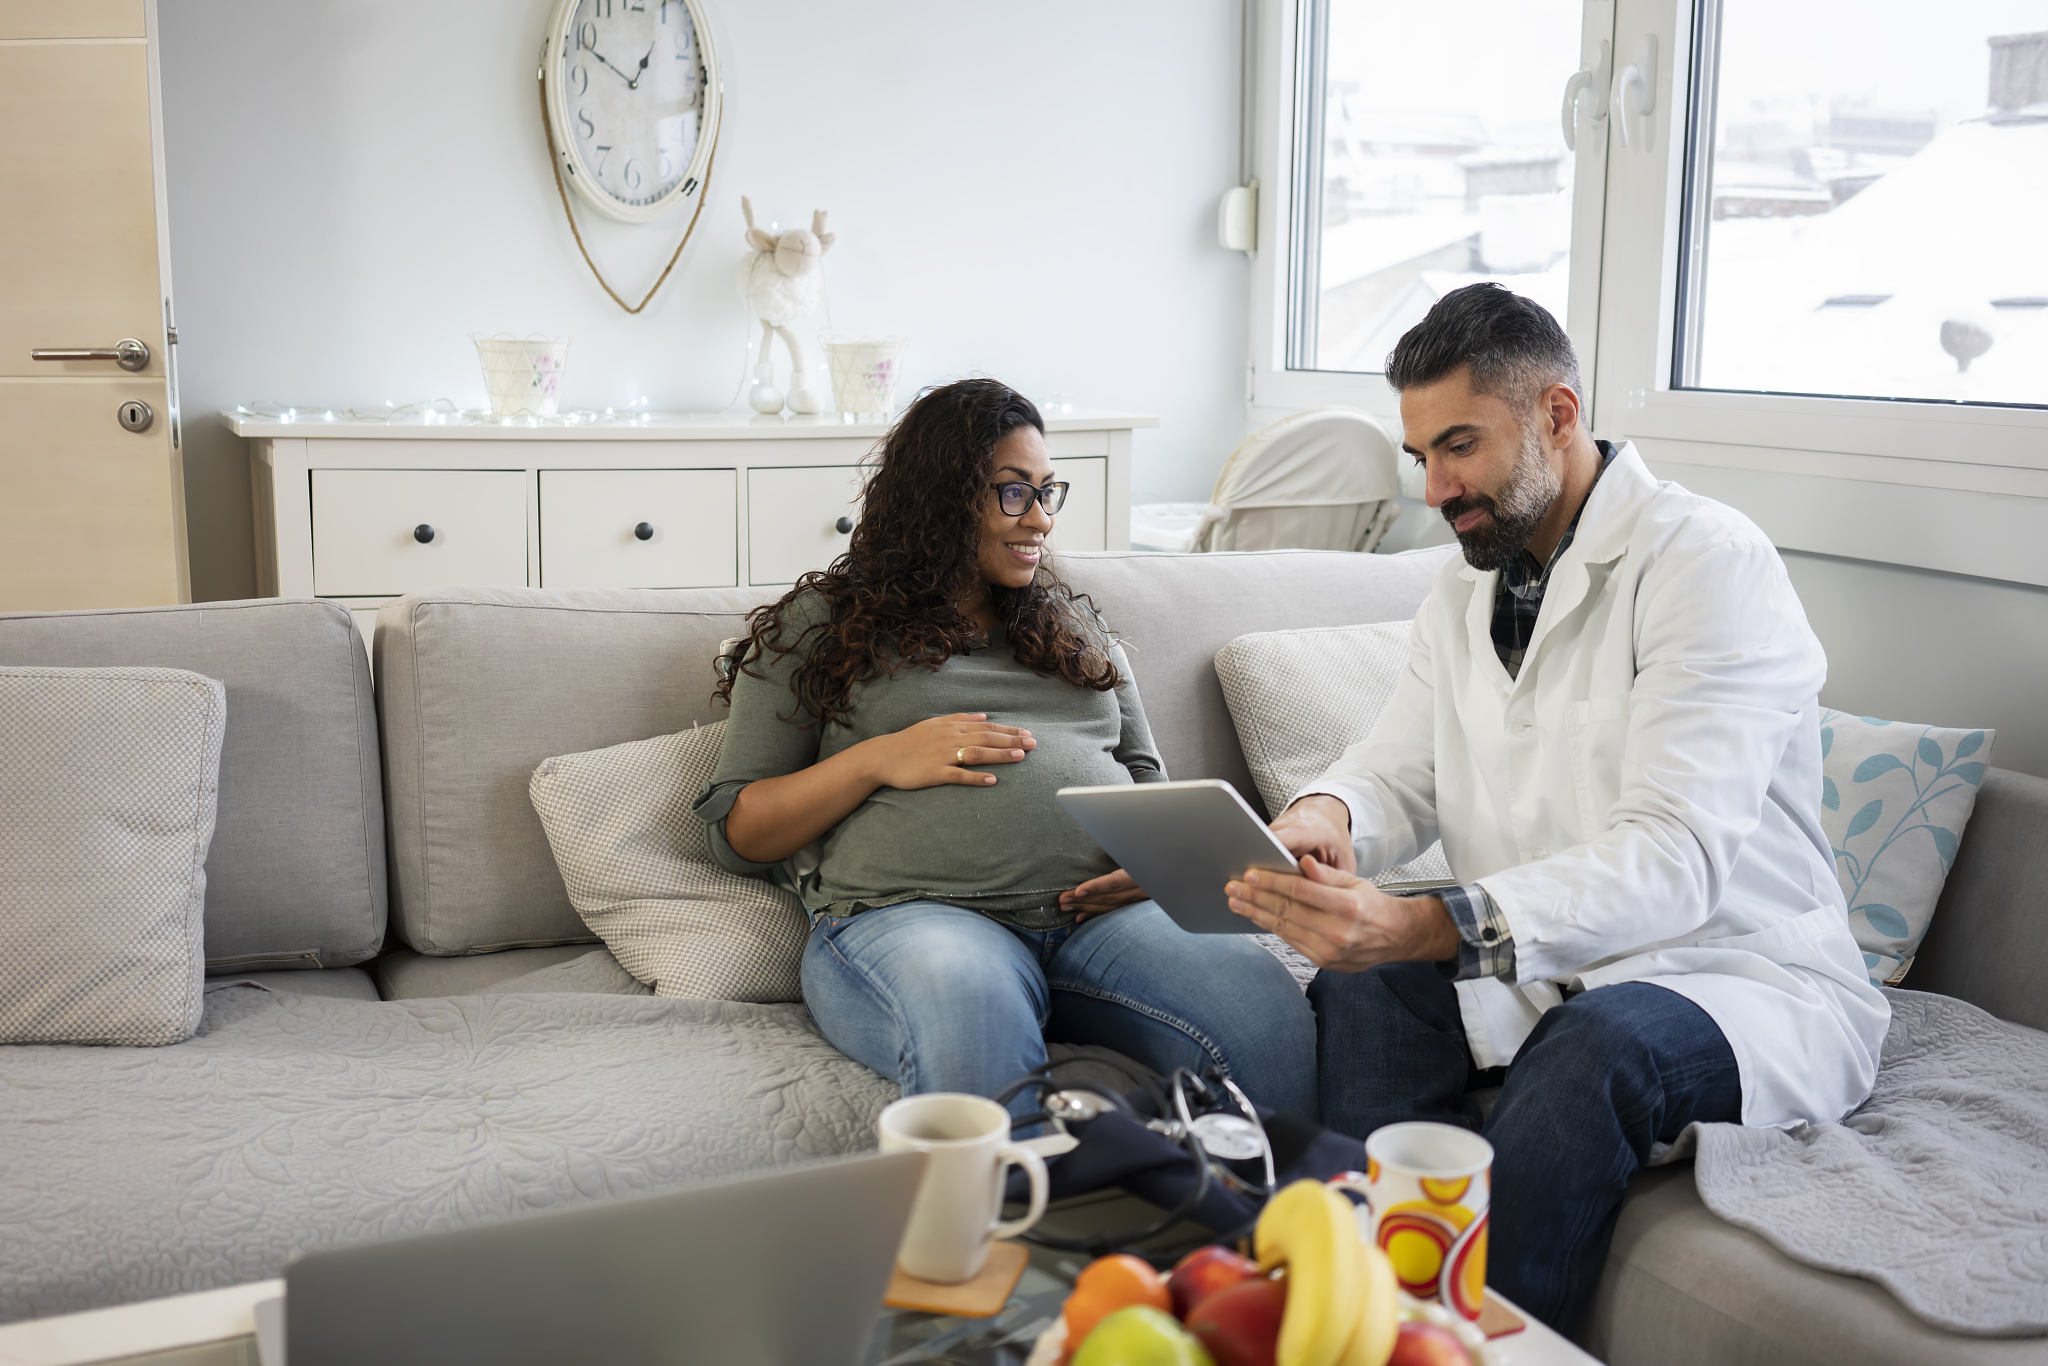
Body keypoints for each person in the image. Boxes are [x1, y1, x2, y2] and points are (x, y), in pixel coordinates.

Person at [1226, 285, 1889, 1332]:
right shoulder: (1465, 589)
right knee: (1366, 981)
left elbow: (1673, 857)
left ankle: (1479, 1345)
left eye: (1460, 446)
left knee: (1594, 1046)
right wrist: (1326, 815)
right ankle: (1374, 1314)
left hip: (1732, 977)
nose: (1435, 488)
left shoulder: (1704, 564)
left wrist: (1431, 921)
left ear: (1557, 414)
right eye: (1420, 456)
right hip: (1557, 968)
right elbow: (1398, 767)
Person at [695, 377, 1316, 1120]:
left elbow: (1146, 780)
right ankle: (1022, 1199)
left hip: (1105, 926)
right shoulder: (824, 623)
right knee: (973, 1019)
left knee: (1263, 1008)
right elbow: (737, 833)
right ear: (941, 498)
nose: (1041, 520)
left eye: (1047, 493)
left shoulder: (1075, 629)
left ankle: (1289, 1197)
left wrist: (1158, 869)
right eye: (1014, 493)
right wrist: (878, 758)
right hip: (917, 919)